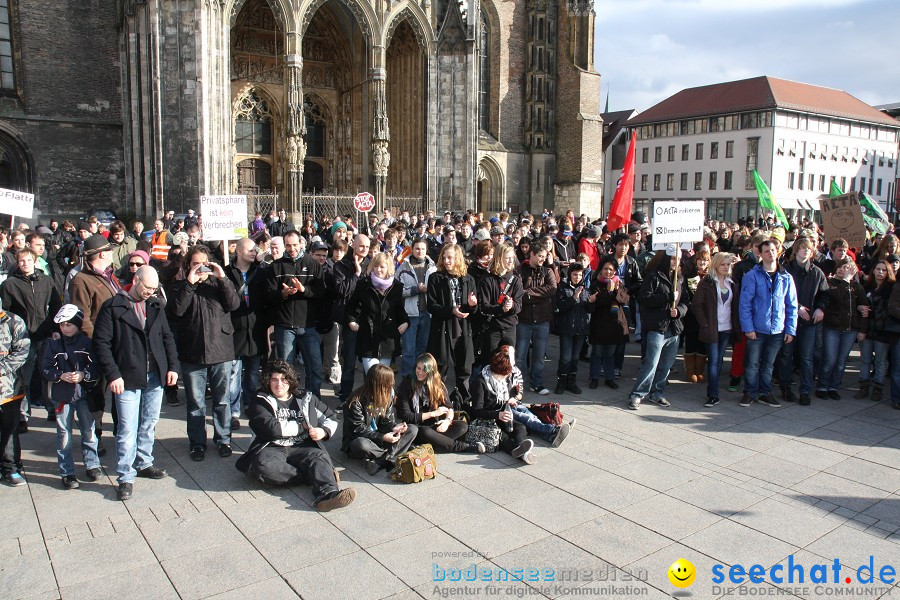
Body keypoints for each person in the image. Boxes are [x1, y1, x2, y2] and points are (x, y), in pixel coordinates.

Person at [93, 265, 179, 500]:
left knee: (149, 422)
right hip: (127, 377)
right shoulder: (113, 306)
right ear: (135, 280)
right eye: (147, 287)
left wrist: (172, 367)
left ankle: (144, 461)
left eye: (154, 288)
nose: (150, 292)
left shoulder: (155, 305)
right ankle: (125, 477)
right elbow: (101, 344)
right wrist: (113, 374)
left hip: (155, 375)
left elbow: (167, 337)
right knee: (127, 428)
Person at [236, 360, 356, 512]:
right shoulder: (260, 400)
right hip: (271, 446)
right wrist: (302, 426)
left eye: (284, 379)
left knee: (318, 456)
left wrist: (323, 431)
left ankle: (328, 495)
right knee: (262, 466)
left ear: (291, 380)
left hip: (301, 445)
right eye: (274, 379)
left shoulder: (305, 398)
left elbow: (331, 417)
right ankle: (317, 474)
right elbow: (273, 429)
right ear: (268, 381)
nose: (279, 384)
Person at [170, 246, 240, 461]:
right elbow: (176, 310)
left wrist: (222, 279)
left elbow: (234, 304)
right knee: (196, 402)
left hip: (221, 350)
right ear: (187, 265)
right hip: (193, 352)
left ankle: (223, 439)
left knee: (222, 400)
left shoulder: (218, 284)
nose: (200, 268)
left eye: (204, 263)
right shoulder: (180, 286)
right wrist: (189, 284)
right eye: (194, 264)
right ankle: (197, 443)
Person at [0, 247, 62, 429]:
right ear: (17, 264)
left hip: (45, 333)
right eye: (21, 261)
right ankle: (23, 415)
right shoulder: (10, 284)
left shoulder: (47, 281)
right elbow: (8, 313)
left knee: (48, 374)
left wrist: (55, 328)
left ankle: (52, 409)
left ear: (35, 261)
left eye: (28, 260)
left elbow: (56, 306)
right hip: (23, 337)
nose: (25, 264)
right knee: (24, 377)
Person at [41, 305, 100, 489]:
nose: (65, 328)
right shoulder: (53, 344)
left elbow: (97, 366)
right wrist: (60, 375)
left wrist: (83, 375)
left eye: (69, 324)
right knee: (64, 435)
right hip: (62, 396)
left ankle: (92, 464)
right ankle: (67, 471)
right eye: (62, 325)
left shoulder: (87, 343)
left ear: (77, 324)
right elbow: (45, 368)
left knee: (89, 431)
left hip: (83, 394)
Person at [266, 230, 326, 398]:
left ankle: (312, 400)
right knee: (285, 369)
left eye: (294, 245)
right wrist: (283, 293)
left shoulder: (313, 264)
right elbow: (269, 295)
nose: (291, 248)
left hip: (308, 325)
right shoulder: (275, 266)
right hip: (284, 326)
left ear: (301, 243)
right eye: (288, 245)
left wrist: (303, 290)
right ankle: (288, 400)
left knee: (315, 367)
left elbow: (321, 292)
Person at [739, 239, 798, 407]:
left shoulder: (786, 277)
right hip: (757, 329)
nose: (770, 253)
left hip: (777, 330)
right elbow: (745, 304)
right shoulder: (751, 276)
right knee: (752, 363)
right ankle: (750, 392)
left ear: (777, 252)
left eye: (773, 250)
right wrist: (748, 328)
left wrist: (790, 329)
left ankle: (765, 392)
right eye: (766, 251)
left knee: (768, 364)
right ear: (761, 254)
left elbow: (791, 305)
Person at [628, 250, 689, 410]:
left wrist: (680, 311)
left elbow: (685, 301)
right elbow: (644, 298)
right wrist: (667, 297)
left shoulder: (680, 278)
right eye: (673, 258)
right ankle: (638, 393)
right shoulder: (653, 276)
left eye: (679, 259)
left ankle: (657, 392)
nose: (676, 262)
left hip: (673, 328)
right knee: (651, 363)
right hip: (657, 327)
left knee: (666, 365)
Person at [396, 353, 484, 453]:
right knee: (426, 431)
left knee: (462, 426)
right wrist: (433, 414)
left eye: (424, 370)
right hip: (415, 429)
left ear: (431, 371)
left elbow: (449, 407)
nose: (420, 372)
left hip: (434, 426)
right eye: (418, 368)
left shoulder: (437, 384)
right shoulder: (407, 384)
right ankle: (463, 447)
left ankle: (429, 446)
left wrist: (447, 421)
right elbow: (407, 416)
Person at [341, 364, 418, 475]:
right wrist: (382, 437)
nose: (391, 386)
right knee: (361, 444)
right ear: (378, 384)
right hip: (361, 440)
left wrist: (394, 427)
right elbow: (358, 430)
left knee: (412, 429)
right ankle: (394, 454)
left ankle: (382, 461)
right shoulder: (355, 401)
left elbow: (385, 420)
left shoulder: (387, 396)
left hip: (381, 438)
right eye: (388, 383)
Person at [778, 237, 828, 406]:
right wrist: (797, 307)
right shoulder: (785, 270)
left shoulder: (817, 272)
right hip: (789, 321)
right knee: (786, 355)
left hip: (809, 323)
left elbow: (824, 293)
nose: (805, 250)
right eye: (802, 248)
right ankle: (785, 387)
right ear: (796, 250)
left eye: (808, 248)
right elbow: (780, 294)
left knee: (807, 357)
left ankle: (805, 390)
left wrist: (820, 308)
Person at [224, 238, 268, 430]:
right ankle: (233, 411)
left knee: (252, 372)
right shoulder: (227, 272)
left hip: (255, 328)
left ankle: (250, 404)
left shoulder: (259, 271)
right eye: (250, 250)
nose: (254, 252)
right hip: (235, 328)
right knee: (234, 373)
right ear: (239, 252)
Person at [427, 244, 478, 399]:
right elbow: (431, 306)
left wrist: (472, 305)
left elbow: (474, 310)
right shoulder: (435, 278)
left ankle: (463, 404)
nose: (446, 260)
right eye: (444, 257)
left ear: (458, 259)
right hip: (443, 329)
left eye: (450, 257)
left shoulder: (468, 279)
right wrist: (451, 310)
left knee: (464, 370)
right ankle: (438, 403)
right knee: (440, 371)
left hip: (463, 329)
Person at [346, 252, 409, 373]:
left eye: (382, 267)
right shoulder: (363, 284)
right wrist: (351, 321)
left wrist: (405, 322)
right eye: (376, 266)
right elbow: (351, 306)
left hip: (386, 340)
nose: (378, 270)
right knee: (372, 376)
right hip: (367, 337)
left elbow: (399, 309)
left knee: (383, 380)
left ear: (388, 268)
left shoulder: (396, 287)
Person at [469, 348, 536, 463]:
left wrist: (511, 399)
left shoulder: (502, 381)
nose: (508, 376)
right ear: (500, 372)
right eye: (506, 374)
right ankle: (523, 454)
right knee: (502, 437)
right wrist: (498, 415)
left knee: (520, 427)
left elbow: (506, 398)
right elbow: (477, 410)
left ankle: (521, 450)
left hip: (500, 416)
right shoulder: (480, 382)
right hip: (485, 419)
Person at [691, 252, 740, 407]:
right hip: (711, 327)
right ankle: (713, 394)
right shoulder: (707, 282)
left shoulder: (732, 282)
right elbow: (697, 305)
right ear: (716, 265)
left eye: (728, 264)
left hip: (727, 327)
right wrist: (705, 323)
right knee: (713, 361)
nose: (726, 267)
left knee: (718, 360)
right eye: (723, 264)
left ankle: (713, 390)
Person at [817, 258, 868, 400]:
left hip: (850, 329)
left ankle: (834, 386)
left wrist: (862, 330)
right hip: (832, 327)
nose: (841, 269)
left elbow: (864, 308)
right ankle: (822, 385)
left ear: (852, 270)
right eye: (839, 266)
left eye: (845, 267)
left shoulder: (857, 287)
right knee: (830, 359)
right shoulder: (830, 283)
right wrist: (845, 281)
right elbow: (836, 297)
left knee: (841, 361)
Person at [515, 245, 556, 395]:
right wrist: (539, 296)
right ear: (532, 254)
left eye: (544, 257)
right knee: (520, 355)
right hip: (524, 319)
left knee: (539, 355)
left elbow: (551, 289)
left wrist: (530, 294)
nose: (542, 259)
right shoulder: (520, 270)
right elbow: (519, 293)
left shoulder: (548, 271)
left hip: (542, 319)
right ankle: (518, 384)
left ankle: (536, 383)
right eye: (540, 256)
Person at [395, 238, 436, 379]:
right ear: (412, 249)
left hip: (427, 314)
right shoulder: (403, 267)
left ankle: (420, 380)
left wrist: (428, 289)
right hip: (410, 314)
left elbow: (437, 290)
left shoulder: (432, 267)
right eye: (417, 248)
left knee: (422, 349)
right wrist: (415, 290)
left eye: (423, 249)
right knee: (408, 351)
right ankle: (407, 381)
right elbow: (397, 290)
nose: (420, 251)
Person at [0, 297, 29, 486]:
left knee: (9, 430)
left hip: (9, 389)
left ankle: (11, 468)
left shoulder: (13, 321)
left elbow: (22, 351)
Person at [856, 260, 895, 402]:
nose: (880, 272)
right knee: (865, 359)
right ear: (873, 270)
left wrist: (871, 313)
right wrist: (860, 308)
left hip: (883, 331)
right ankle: (864, 386)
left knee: (880, 361)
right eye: (878, 269)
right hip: (866, 329)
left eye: (884, 270)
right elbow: (859, 305)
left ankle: (878, 387)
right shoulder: (867, 287)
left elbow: (889, 310)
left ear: (888, 272)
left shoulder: (891, 289)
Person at [588, 256, 629, 390]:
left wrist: (615, 290)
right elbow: (599, 302)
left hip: (614, 324)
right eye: (605, 269)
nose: (608, 272)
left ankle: (609, 378)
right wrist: (610, 292)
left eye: (611, 269)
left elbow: (625, 299)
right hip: (600, 323)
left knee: (610, 354)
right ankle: (594, 378)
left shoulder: (618, 282)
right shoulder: (595, 283)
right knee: (597, 353)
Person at [554, 263, 592, 394]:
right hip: (567, 328)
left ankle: (572, 381)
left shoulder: (585, 289)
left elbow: (589, 309)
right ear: (570, 274)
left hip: (581, 328)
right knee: (565, 357)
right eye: (575, 274)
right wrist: (574, 297)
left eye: (580, 274)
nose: (577, 277)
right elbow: (561, 306)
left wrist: (591, 302)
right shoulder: (563, 288)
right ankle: (561, 382)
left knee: (575, 357)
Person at [682, 250, 710, 383]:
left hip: (706, 315)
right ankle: (690, 371)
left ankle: (699, 371)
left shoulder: (711, 277)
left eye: (705, 260)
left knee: (703, 343)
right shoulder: (689, 276)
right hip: (691, 315)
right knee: (691, 341)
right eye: (700, 260)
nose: (702, 262)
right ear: (695, 261)